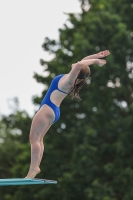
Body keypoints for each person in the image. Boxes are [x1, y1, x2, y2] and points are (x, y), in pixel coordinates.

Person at [25, 50, 110, 178]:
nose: (77, 63)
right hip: (53, 110)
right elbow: (82, 61)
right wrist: (97, 56)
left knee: (34, 139)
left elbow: (80, 64)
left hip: (47, 109)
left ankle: (33, 168)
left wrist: (96, 61)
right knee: (39, 139)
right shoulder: (72, 78)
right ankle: (35, 166)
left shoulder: (69, 80)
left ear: (78, 72)